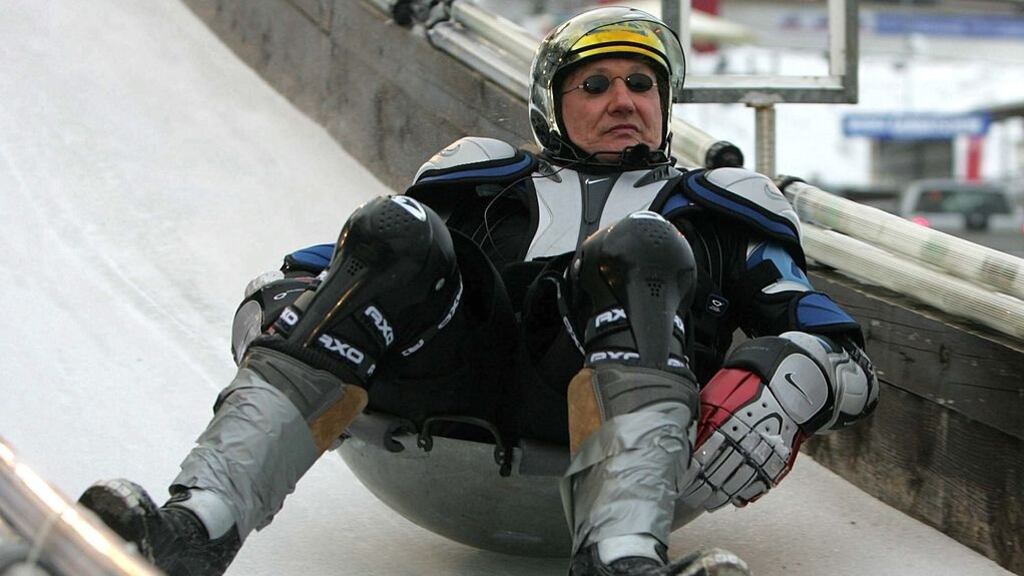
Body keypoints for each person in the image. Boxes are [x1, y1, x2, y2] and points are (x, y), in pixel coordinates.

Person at [79, 7, 878, 576]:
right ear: (553, 106)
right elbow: (347, 264)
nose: (622, 100)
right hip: (455, 376)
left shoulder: (718, 208)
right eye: (594, 85)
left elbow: (834, 347)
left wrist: (791, 383)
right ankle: (196, 528)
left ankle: (623, 558)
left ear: (665, 106)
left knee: (634, 250)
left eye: (641, 83)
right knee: (394, 223)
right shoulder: (483, 181)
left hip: (610, 405)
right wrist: (283, 306)